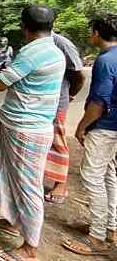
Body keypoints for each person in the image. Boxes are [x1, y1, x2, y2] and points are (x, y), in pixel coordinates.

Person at [0, 5, 65, 261]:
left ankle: (30, 248)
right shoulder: (55, 51)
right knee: (12, 178)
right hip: (36, 126)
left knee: (28, 185)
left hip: (24, 129)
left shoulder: (32, 53)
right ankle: (14, 221)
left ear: (24, 27)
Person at [62, 13, 117, 256]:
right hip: (114, 128)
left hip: (103, 126)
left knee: (93, 177)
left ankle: (97, 237)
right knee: (108, 175)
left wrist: (82, 126)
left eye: (91, 30)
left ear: (97, 32)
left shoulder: (105, 60)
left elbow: (100, 101)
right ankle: (110, 227)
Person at [43, 33, 85, 205]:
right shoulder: (35, 39)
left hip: (57, 101)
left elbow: (79, 75)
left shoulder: (61, 43)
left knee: (57, 140)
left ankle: (61, 184)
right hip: (40, 101)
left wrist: (69, 94)